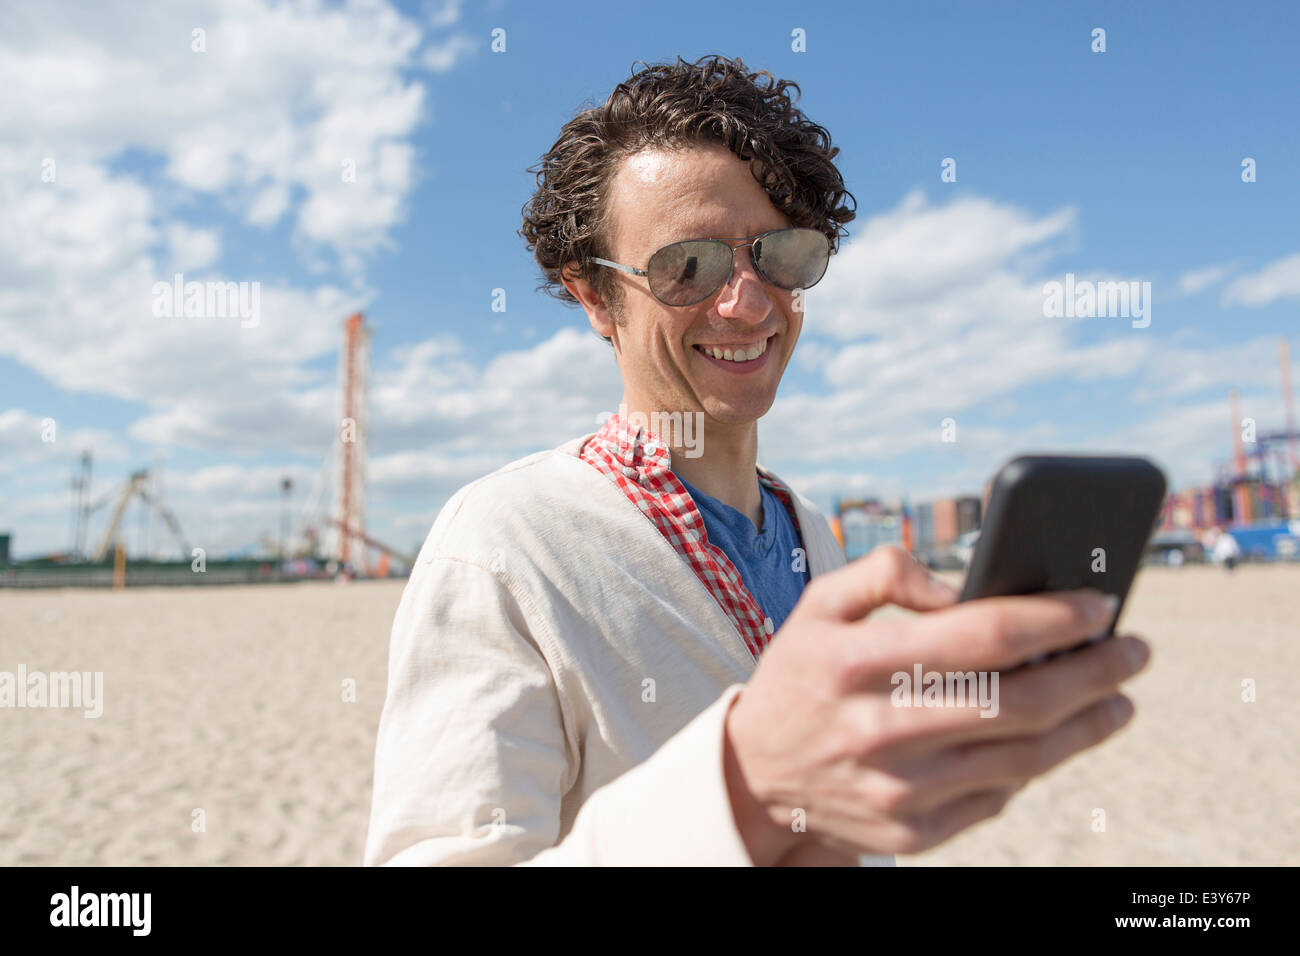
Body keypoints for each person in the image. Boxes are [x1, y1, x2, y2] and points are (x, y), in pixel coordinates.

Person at [363, 54, 1150, 867]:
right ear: (596, 297)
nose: (746, 302)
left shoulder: (815, 535)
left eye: (780, 255)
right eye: (687, 267)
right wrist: (745, 788)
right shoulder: (505, 543)